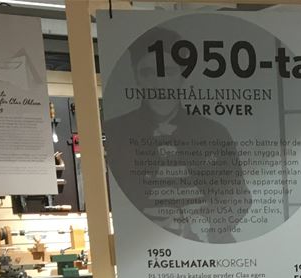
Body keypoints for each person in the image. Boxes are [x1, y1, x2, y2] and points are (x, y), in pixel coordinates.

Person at [103, 28, 251, 243]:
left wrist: (207, 220)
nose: (159, 82)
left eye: (169, 72)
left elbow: (240, 196)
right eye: (147, 73)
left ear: (182, 77)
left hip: (211, 245)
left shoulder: (213, 132)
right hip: (147, 249)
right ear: (136, 78)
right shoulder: (117, 132)